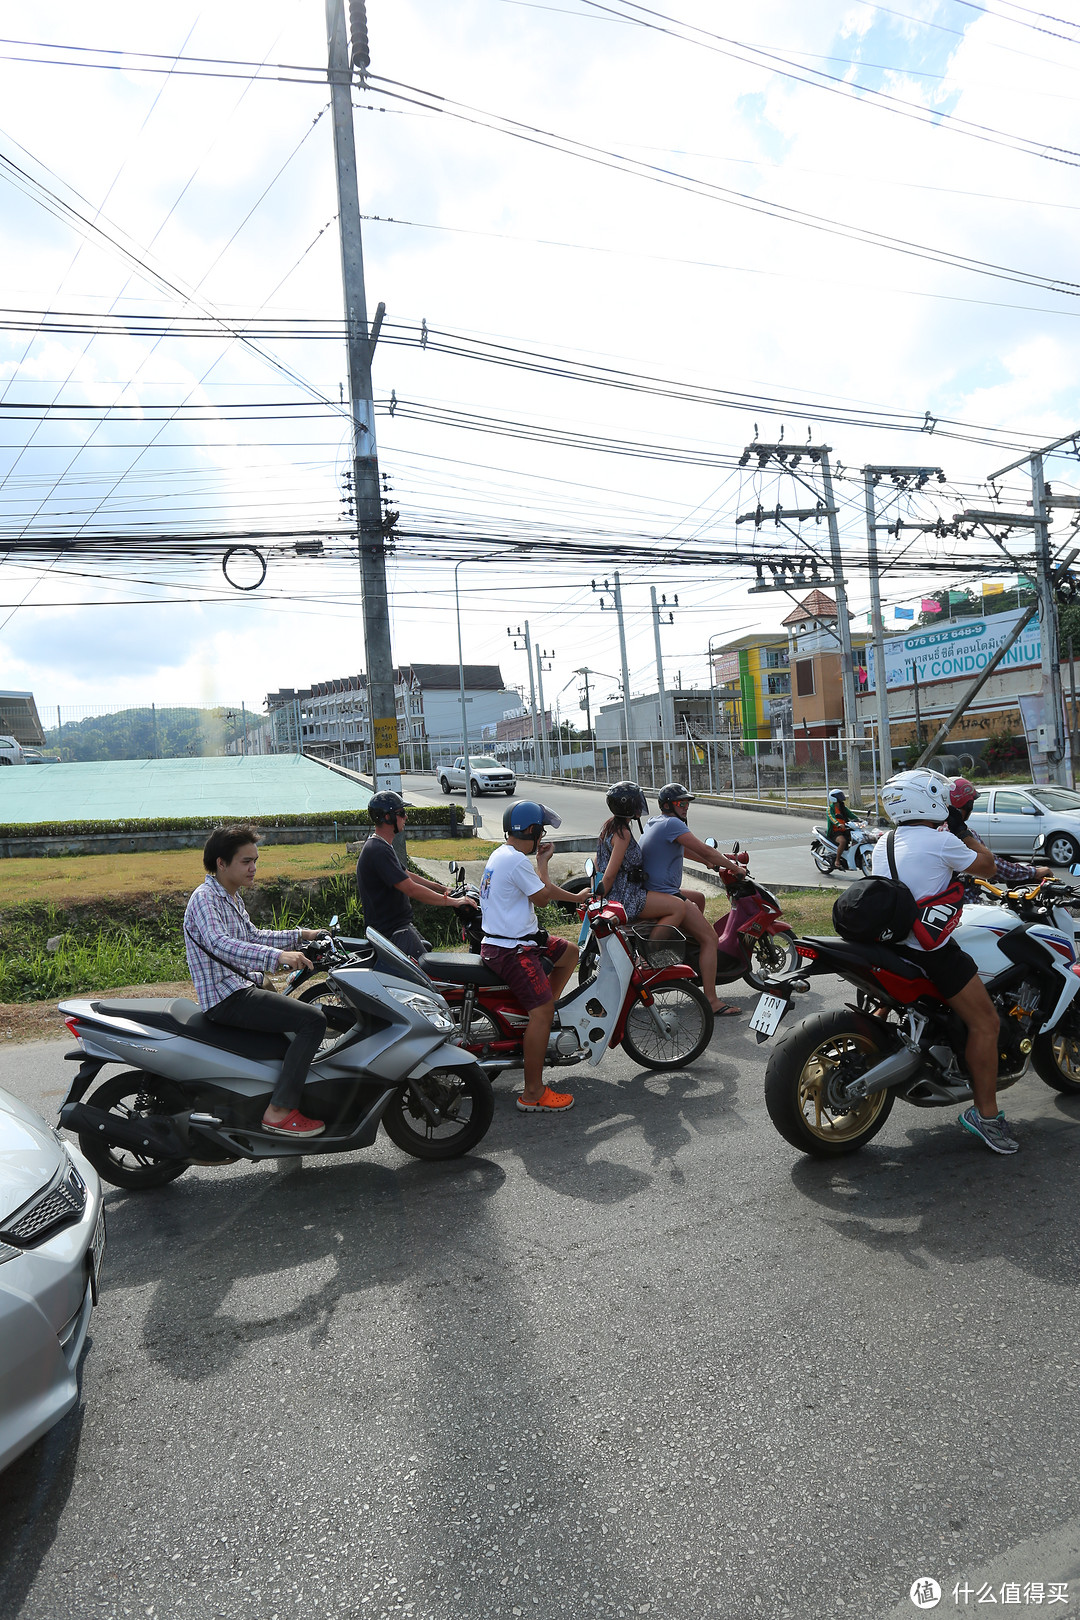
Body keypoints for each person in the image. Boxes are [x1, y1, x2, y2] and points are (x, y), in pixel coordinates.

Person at [873, 769, 1016, 1155]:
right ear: (929, 799)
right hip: (930, 949)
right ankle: (985, 1116)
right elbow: (988, 866)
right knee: (985, 1023)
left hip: (890, 946)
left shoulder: (883, 842)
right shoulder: (942, 843)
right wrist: (959, 829)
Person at [184, 826, 328, 1139]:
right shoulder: (205, 899)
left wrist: (302, 936)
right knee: (313, 1021)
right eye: (246, 861)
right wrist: (279, 956)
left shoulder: (229, 897)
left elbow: (251, 936)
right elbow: (219, 943)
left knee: (288, 1036)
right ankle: (278, 1112)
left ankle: (280, 1099)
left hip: (243, 986)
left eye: (255, 861)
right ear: (222, 863)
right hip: (228, 997)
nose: (253, 868)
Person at [479, 801, 584, 1114]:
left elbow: (542, 891)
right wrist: (544, 862)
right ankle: (533, 1092)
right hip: (512, 949)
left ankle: (540, 1012)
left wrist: (577, 897)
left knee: (570, 953)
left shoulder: (502, 854)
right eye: (541, 830)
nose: (543, 835)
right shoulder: (517, 863)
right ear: (533, 831)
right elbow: (541, 898)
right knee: (542, 1012)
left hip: (512, 941)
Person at [637, 782, 744, 1018]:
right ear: (668, 805)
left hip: (654, 891)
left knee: (699, 898)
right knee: (710, 938)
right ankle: (712, 1000)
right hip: (665, 894)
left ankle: (687, 956)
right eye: (680, 803)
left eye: (687, 803)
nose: (685, 807)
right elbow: (705, 849)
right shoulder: (672, 823)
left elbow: (684, 850)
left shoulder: (655, 822)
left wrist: (711, 862)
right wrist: (734, 868)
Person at [356, 790, 474, 960]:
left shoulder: (381, 845)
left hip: (400, 927)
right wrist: (454, 902)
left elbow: (406, 874)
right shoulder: (377, 850)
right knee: (428, 979)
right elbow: (410, 889)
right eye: (401, 813)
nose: (406, 818)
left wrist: (441, 887)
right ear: (388, 817)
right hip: (394, 932)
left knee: (429, 961)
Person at [595, 781, 686, 930]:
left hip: (620, 892)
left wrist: (596, 892)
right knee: (678, 907)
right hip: (626, 896)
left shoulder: (608, 828)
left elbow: (598, 862)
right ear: (628, 806)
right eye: (637, 802)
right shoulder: (623, 834)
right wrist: (597, 898)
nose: (640, 805)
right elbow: (610, 875)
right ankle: (654, 950)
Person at [947, 776, 1053, 892]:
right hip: (964, 904)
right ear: (968, 806)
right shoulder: (962, 835)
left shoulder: (932, 831)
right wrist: (1034, 872)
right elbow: (994, 866)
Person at [825, 788, 858, 870]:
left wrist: (859, 819)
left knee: (857, 838)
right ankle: (837, 860)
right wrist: (838, 824)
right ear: (834, 798)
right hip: (835, 831)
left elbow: (850, 814)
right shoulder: (830, 808)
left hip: (845, 829)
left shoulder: (843, 807)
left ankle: (850, 856)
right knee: (843, 841)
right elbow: (832, 818)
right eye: (839, 796)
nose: (841, 797)